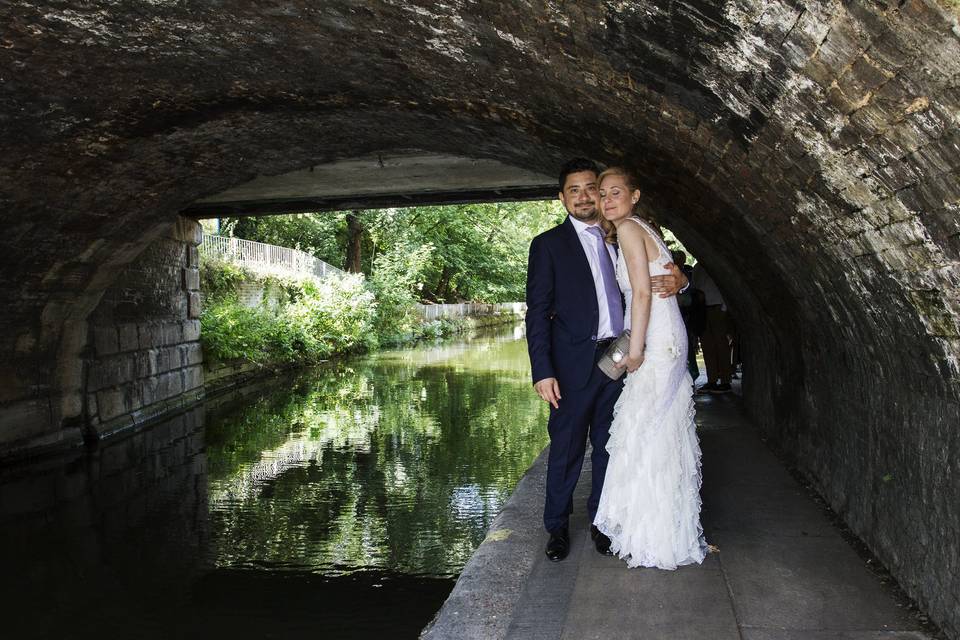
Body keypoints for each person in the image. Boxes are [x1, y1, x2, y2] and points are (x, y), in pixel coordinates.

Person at [525, 158, 688, 562]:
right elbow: (536, 311)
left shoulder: (617, 233)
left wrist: (682, 280)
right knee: (566, 448)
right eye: (574, 190)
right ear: (562, 197)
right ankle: (557, 527)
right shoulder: (548, 245)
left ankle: (603, 521)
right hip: (572, 364)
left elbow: (654, 272)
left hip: (620, 358)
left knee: (609, 445)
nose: (584, 196)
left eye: (590, 189)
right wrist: (542, 371)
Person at [592, 167, 707, 570]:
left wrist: (635, 350)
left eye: (615, 192)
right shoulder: (644, 227)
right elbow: (663, 280)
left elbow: (642, 292)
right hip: (669, 334)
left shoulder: (628, 229)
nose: (607, 200)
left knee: (643, 431)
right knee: (659, 430)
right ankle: (665, 532)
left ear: (635, 195)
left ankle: (652, 537)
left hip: (656, 340)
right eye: (602, 194)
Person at [691, 262, 732, 393]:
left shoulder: (717, 264)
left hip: (717, 307)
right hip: (703, 309)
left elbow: (726, 285)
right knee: (707, 345)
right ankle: (712, 380)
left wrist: (724, 307)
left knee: (721, 345)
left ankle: (725, 380)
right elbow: (694, 287)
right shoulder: (697, 268)